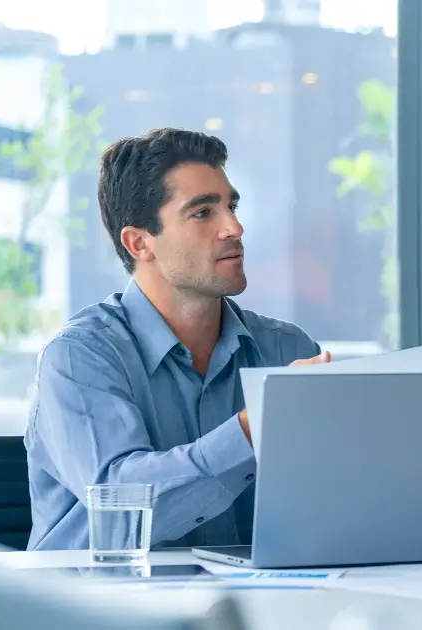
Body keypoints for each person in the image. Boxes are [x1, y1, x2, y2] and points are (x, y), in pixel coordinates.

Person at [26, 128, 329, 551]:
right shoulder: (79, 357)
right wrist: (250, 427)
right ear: (140, 242)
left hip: (256, 605)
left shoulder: (287, 350)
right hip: (102, 608)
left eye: (232, 206)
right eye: (204, 212)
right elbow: (122, 504)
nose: (235, 227)